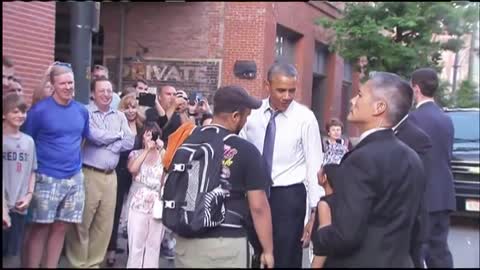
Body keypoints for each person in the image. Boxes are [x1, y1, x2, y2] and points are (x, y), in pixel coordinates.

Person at [312, 72, 425, 267]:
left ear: (379, 107)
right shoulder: (412, 158)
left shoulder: (362, 159)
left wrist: (322, 229)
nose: (352, 100)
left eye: (360, 95)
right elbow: (416, 228)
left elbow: (345, 235)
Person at [174, 85, 274, 268]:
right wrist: (268, 251)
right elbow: (258, 206)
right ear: (235, 116)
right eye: (246, 116)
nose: (246, 121)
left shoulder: (187, 142)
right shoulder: (246, 151)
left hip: (185, 241)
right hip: (226, 245)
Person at [240, 63, 323, 268]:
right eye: (281, 90)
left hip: (288, 198)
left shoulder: (305, 118)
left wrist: (315, 211)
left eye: (292, 90)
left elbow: (314, 164)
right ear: (267, 85)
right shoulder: (251, 115)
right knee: (255, 255)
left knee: (285, 259)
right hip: (255, 194)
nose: (287, 96)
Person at [22, 63, 90, 268]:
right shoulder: (39, 111)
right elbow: (28, 141)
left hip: (74, 178)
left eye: (71, 82)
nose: (68, 87)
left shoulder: (81, 110)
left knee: (62, 227)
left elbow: (82, 139)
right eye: (63, 83)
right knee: (40, 228)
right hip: (46, 177)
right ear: (53, 85)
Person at [64, 77, 135, 268]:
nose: (106, 94)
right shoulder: (86, 112)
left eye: (109, 90)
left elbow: (129, 141)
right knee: (82, 223)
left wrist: (112, 145)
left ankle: (94, 264)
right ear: (93, 94)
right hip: (89, 174)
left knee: (104, 225)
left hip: (111, 177)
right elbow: (93, 136)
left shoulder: (119, 116)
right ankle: (78, 264)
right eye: (102, 90)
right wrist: (117, 136)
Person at [409, 68, 456, 268]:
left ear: (416, 89)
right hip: (444, 193)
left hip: (422, 196)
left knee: (415, 251)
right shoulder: (446, 119)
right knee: (440, 253)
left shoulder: (413, 120)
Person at [106, 93, 144, 266]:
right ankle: (111, 249)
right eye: (127, 107)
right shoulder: (117, 125)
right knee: (115, 212)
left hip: (137, 175)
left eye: (134, 106)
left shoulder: (143, 128)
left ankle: (132, 251)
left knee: (135, 213)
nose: (130, 111)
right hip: (120, 171)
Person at [2, 94, 37, 265]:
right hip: (4, 206)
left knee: (13, 254)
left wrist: (29, 195)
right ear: (4, 114)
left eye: (23, 112)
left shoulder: (28, 142)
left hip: (19, 206)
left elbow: (32, 170)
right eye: (15, 111)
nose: (20, 115)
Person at [126, 121, 166, 268]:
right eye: (147, 134)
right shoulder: (135, 154)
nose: (150, 137)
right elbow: (132, 169)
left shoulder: (163, 154)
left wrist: (161, 150)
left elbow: (168, 172)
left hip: (157, 205)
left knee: (154, 246)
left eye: (153, 134)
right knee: (136, 244)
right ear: (142, 136)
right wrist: (146, 150)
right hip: (138, 203)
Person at [311, 163, 338, 268]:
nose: (317, 172)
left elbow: (325, 243)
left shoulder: (324, 205)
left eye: (320, 169)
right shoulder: (342, 201)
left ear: (324, 178)